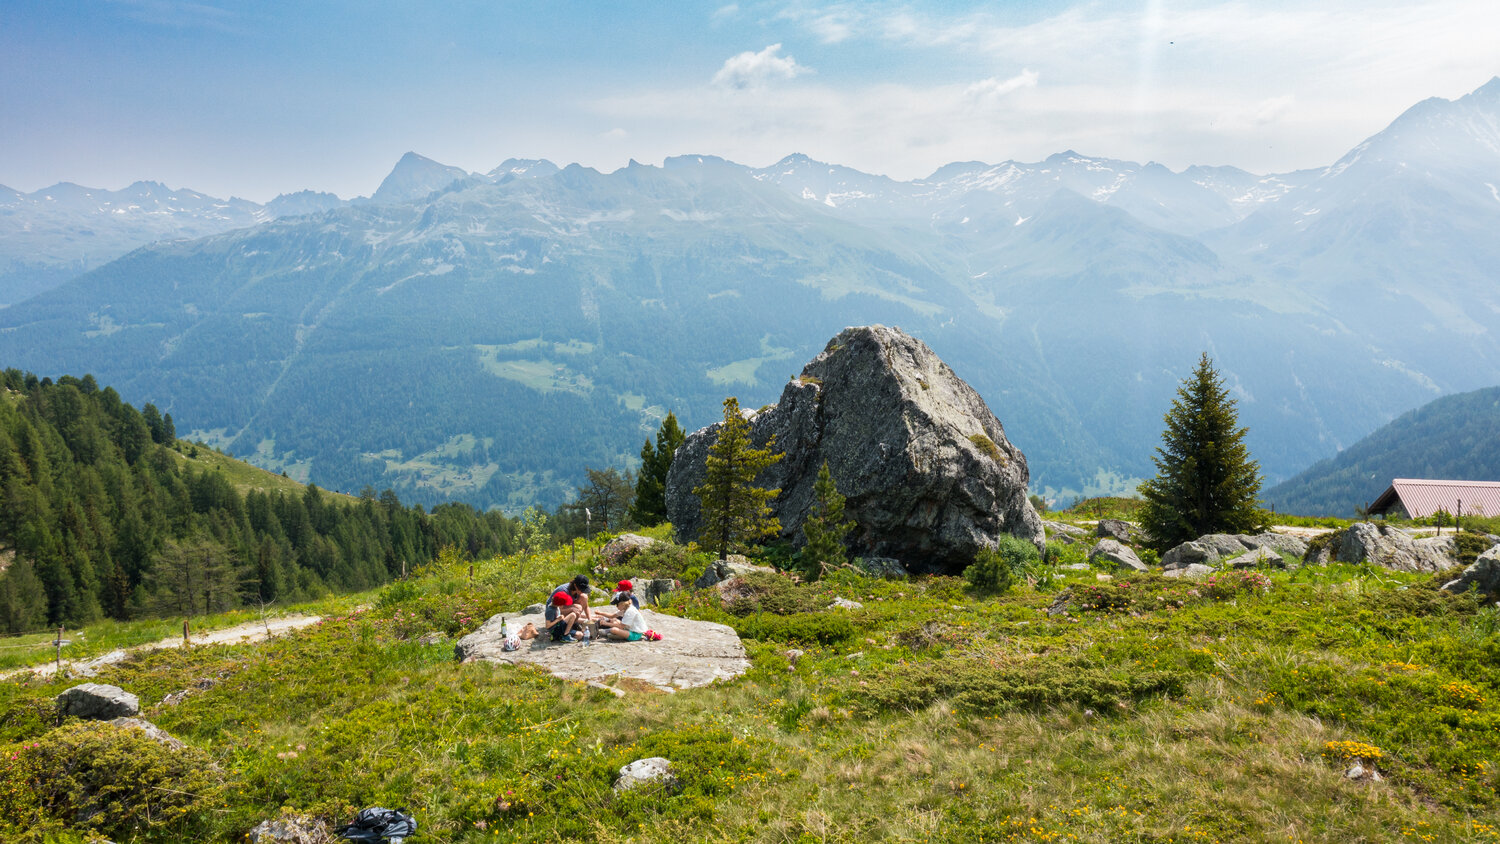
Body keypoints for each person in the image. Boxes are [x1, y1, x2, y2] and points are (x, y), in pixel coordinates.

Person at [544, 575, 591, 641]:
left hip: (560, 614)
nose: (582, 591)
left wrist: (590, 620)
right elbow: (557, 609)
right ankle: (566, 632)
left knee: (583, 599)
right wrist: (571, 609)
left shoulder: (578, 592)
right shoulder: (563, 592)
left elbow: (586, 606)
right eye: (581, 589)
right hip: (557, 614)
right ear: (575, 585)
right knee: (577, 608)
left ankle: (571, 626)